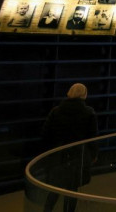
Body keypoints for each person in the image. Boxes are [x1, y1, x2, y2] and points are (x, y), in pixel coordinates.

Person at [42, 83, 97, 212]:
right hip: (78, 158)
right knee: (72, 190)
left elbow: (46, 135)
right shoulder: (88, 113)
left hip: (58, 158)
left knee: (54, 189)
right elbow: (92, 138)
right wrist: (93, 155)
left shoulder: (56, 112)